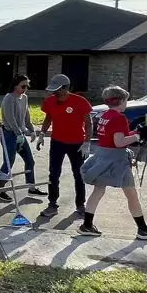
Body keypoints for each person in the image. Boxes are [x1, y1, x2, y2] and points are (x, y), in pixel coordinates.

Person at [78, 86, 147, 240]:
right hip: (116, 161)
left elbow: (115, 136)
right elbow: (119, 142)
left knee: (98, 191)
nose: (126, 104)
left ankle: (87, 225)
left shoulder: (105, 115)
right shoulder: (119, 118)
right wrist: (138, 136)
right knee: (131, 194)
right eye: (126, 100)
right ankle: (142, 229)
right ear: (120, 101)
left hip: (103, 157)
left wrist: (136, 131)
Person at [39, 74, 92, 218]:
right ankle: (52, 205)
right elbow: (48, 117)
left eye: (58, 90)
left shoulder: (80, 102)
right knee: (54, 174)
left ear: (66, 88)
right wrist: (42, 133)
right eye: (53, 90)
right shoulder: (50, 101)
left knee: (79, 174)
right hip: (57, 142)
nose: (54, 93)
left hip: (77, 144)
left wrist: (87, 141)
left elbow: (88, 123)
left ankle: (80, 205)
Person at [0, 74, 46, 200]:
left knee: (30, 160)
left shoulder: (24, 98)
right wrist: (19, 134)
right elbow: (10, 119)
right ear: (15, 86)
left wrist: (32, 130)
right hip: (9, 134)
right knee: (9, 161)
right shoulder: (9, 98)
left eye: (27, 86)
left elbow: (26, 116)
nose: (25, 89)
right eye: (22, 86)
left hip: (20, 134)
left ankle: (31, 188)